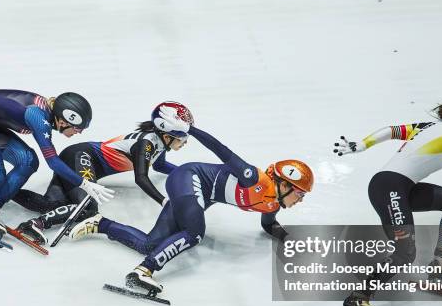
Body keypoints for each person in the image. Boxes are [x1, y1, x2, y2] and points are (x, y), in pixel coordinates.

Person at [68, 104, 314, 294]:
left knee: (151, 244)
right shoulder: (255, 179)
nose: (300, 200)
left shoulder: (272, 202)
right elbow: (221, 150)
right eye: (299, 193)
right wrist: (192, 130)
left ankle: (101, 223)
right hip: (188, 177)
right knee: (195, 232)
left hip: (196, 192)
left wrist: (293, 241)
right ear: (283, 184)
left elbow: (268, 225)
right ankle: (144, 271)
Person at [333, 94, 442, 306]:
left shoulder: (429, 127)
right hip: (391, 188)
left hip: (401, 187)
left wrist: (361, 145)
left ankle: (439, 263)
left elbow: (392, 130)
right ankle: (359, 296)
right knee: (405, 252)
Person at [0, 89, 114, 255]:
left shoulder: (46, 114)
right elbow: (53, 161)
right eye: (78, 128)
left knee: (28, 160)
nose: (79, 132)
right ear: (63, 121)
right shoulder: (39, 118)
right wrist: (84, 183)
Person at [12, 101, 189, 244]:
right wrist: (164, 201)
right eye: (183, 138)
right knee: (88, 210)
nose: (185, 142)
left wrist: (186, 172)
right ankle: (37, 224)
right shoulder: (146, 144)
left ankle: (0, 189)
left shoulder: (157, 141)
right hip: (82, 157)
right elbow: (141, 178)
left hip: (77, 156)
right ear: (167, 136)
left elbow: (159, 166)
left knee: (50, 204)